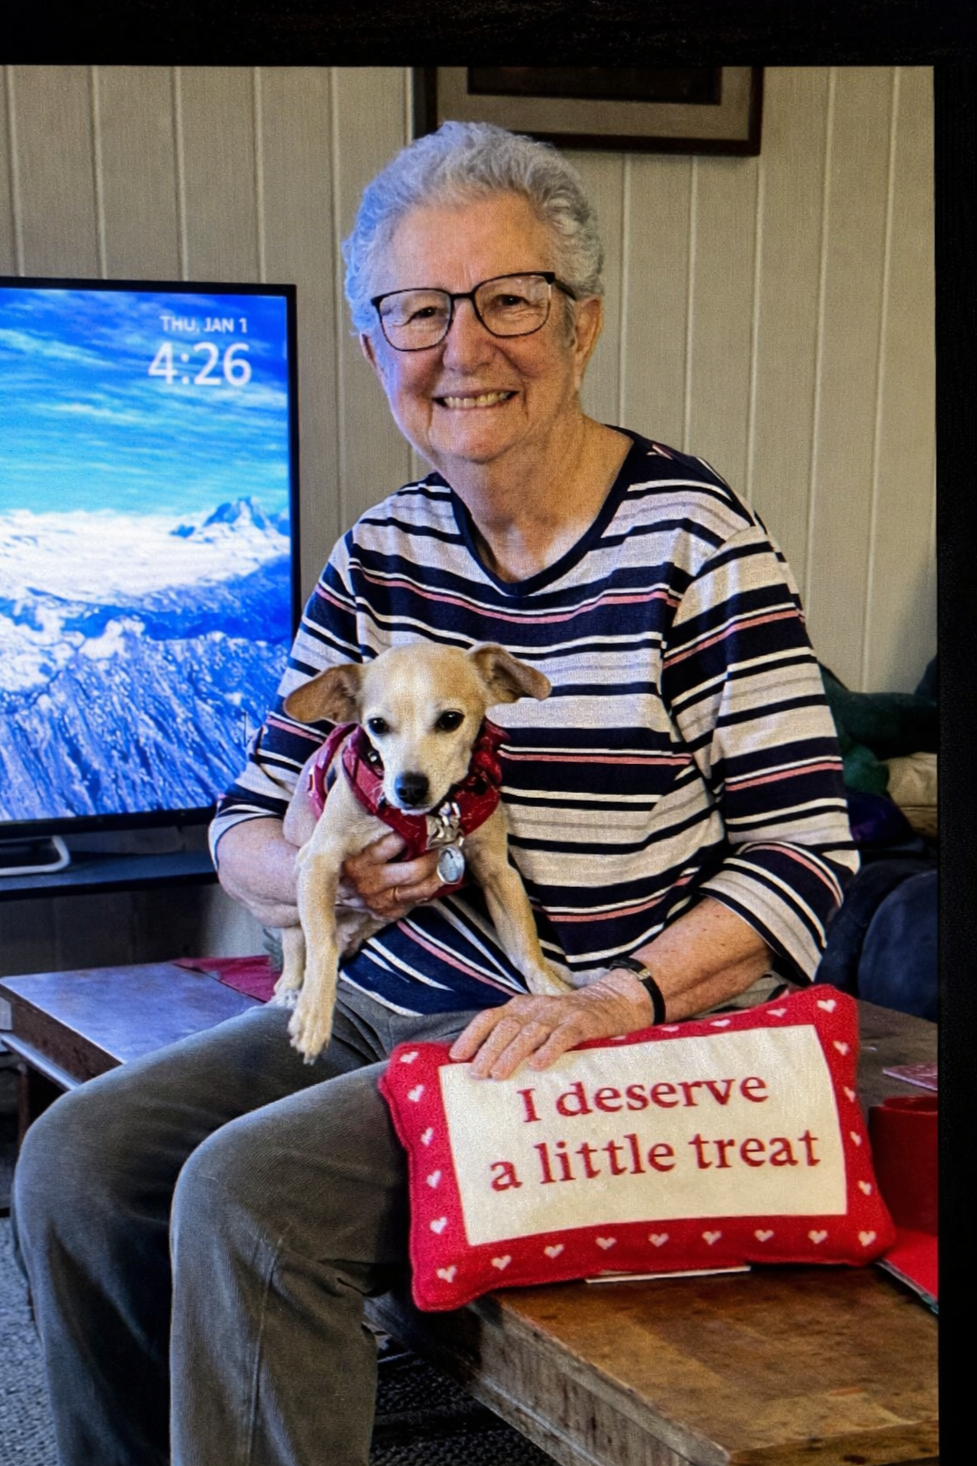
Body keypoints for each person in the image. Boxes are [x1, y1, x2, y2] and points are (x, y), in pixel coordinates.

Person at [13, 122, 857, 1466]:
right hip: (395, 1009)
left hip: (604, 1042)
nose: (463, 347)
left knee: (250, 1201)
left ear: (581, 326)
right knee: (72, 1163)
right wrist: (311, 871)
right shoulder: (378, 554)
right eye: (418, 310)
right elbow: (247, 811)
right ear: (374, 350)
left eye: (509, 298)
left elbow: (808, 848)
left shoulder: (701, 547)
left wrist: (611, 998)